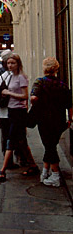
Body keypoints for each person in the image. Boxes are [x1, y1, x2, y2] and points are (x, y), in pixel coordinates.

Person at [30, 57, 72, 187]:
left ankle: (55, 176)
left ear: (44, 68)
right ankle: (45, 171)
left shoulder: (39, 82)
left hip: (44, 119)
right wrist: (70, 119)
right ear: (56, 69)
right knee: (51, 145)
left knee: (49, 146)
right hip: (59, 119)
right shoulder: (63, 85)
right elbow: (70, 104)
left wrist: (37, 102)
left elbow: (34, 98)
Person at [0, 54, 38, 182]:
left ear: (18, 64)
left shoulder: (21, 78)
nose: (10, 65)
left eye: (13, 63)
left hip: (19, 112)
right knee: (21, 141)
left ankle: (2, 170)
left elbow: (25, 96)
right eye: (8, 63)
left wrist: (9, 93)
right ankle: (33, 165)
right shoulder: (10, 76)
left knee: (11, 139)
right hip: (11, 111)